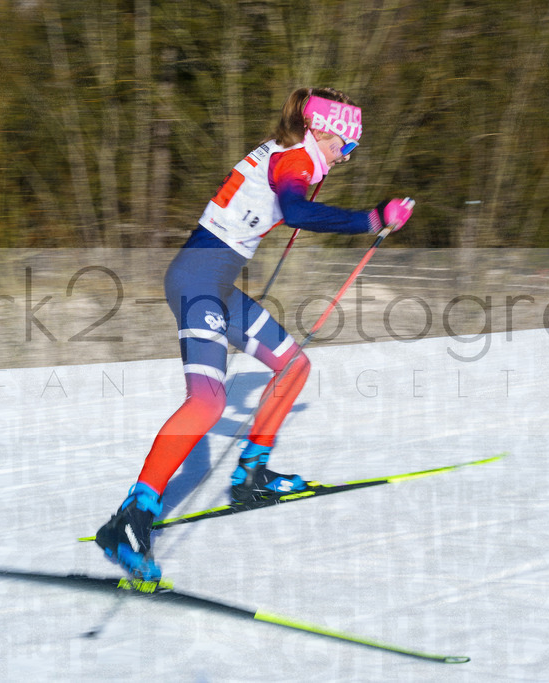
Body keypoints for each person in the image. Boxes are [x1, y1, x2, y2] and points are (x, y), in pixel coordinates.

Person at [95, 87, 415, 580]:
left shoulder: (291, 154)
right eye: (344, 146)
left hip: (216, 283)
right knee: (206, 403)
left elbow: (281, 205)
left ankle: (251, 474)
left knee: (293, 365)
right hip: (199, 280)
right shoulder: (296, 160)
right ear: (323, 131)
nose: (346, 156)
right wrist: (371, 218)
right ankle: (130, 520)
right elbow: (296, 211)